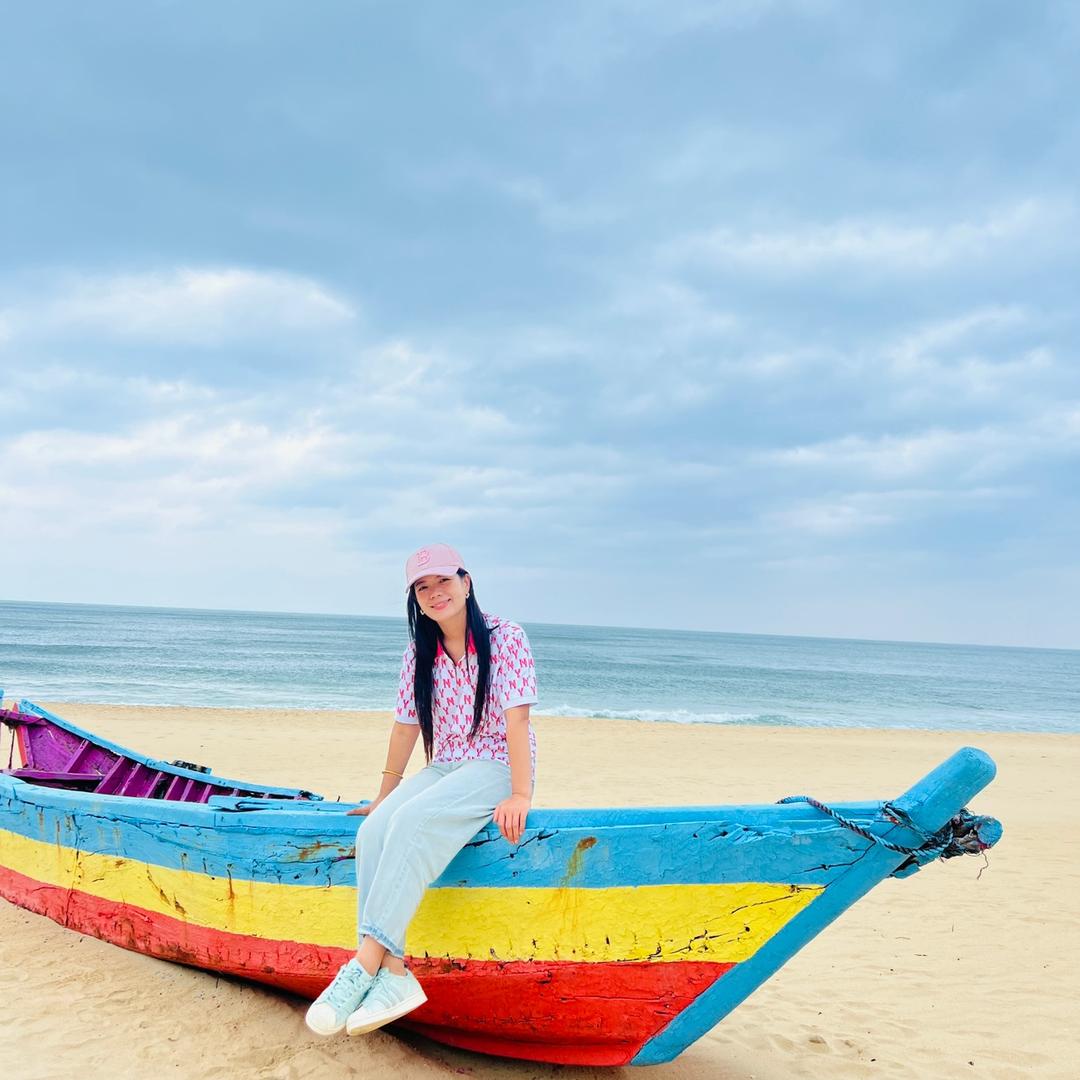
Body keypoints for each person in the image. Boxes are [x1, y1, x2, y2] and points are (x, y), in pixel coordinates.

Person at [305, 543, 538, 1037]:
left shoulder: (506, 636)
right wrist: (384, 795)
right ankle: (394, 972)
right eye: (422, 587)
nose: (435, 593)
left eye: (443, 581)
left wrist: (520, 794)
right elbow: (406, 725)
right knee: (374, 830)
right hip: (445, 766)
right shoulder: (420, 651)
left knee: (413, 822)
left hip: (495, 764)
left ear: (466, 583)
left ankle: (364, 964)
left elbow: (517, 720)